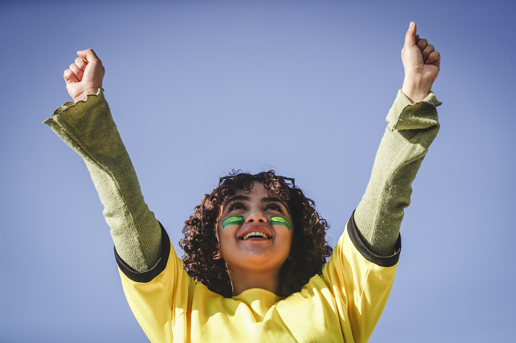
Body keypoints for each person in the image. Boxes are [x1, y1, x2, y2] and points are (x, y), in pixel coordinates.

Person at [45, 22, 441, 342]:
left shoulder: (337, 297)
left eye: (273, 208)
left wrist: (414, 95)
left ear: (297, 234)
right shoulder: (179, 307)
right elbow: (126, 215)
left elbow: (384, 200)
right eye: (238, 209)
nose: (256, 217)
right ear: (212, 237)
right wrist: (88, 108)